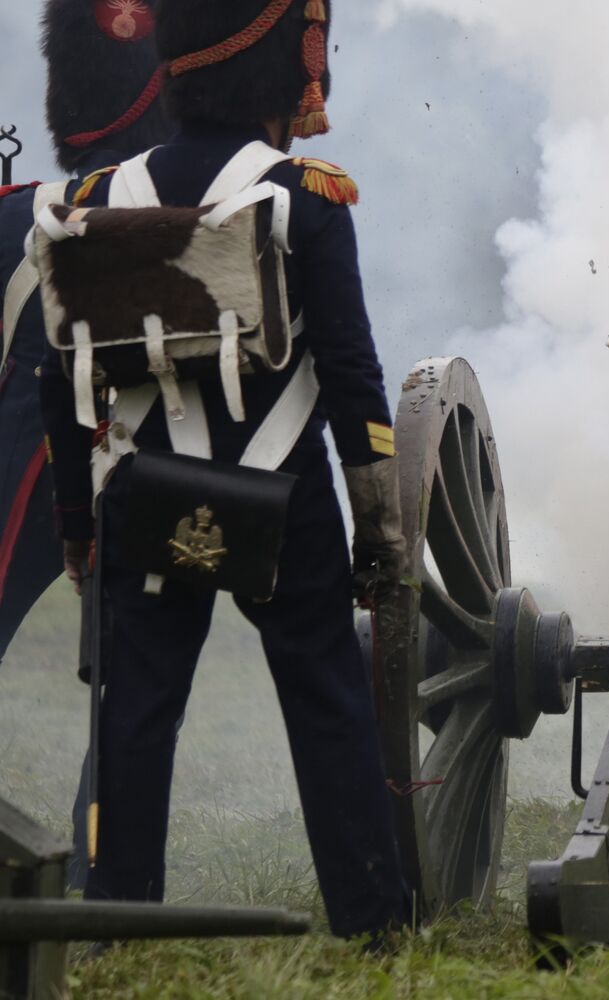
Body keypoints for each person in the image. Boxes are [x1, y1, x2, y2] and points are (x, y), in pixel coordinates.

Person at [38, 0, 411, 940]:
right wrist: (380, 530)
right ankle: (370, 922)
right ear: (286, 71)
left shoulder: (95, 202)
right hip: (283, 493)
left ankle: (118, 918)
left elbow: (61, 383)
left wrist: (81, 532)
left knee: (137, 712)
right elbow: (356, 378)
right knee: (327, 703)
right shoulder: (307, 198)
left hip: (144, 498)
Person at [1, 0, 178, 891]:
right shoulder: (221, 217)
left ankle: (97, 866)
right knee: (138, 676)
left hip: (39, 479)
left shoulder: (13, 216)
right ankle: (100, 869)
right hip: (121, 476)